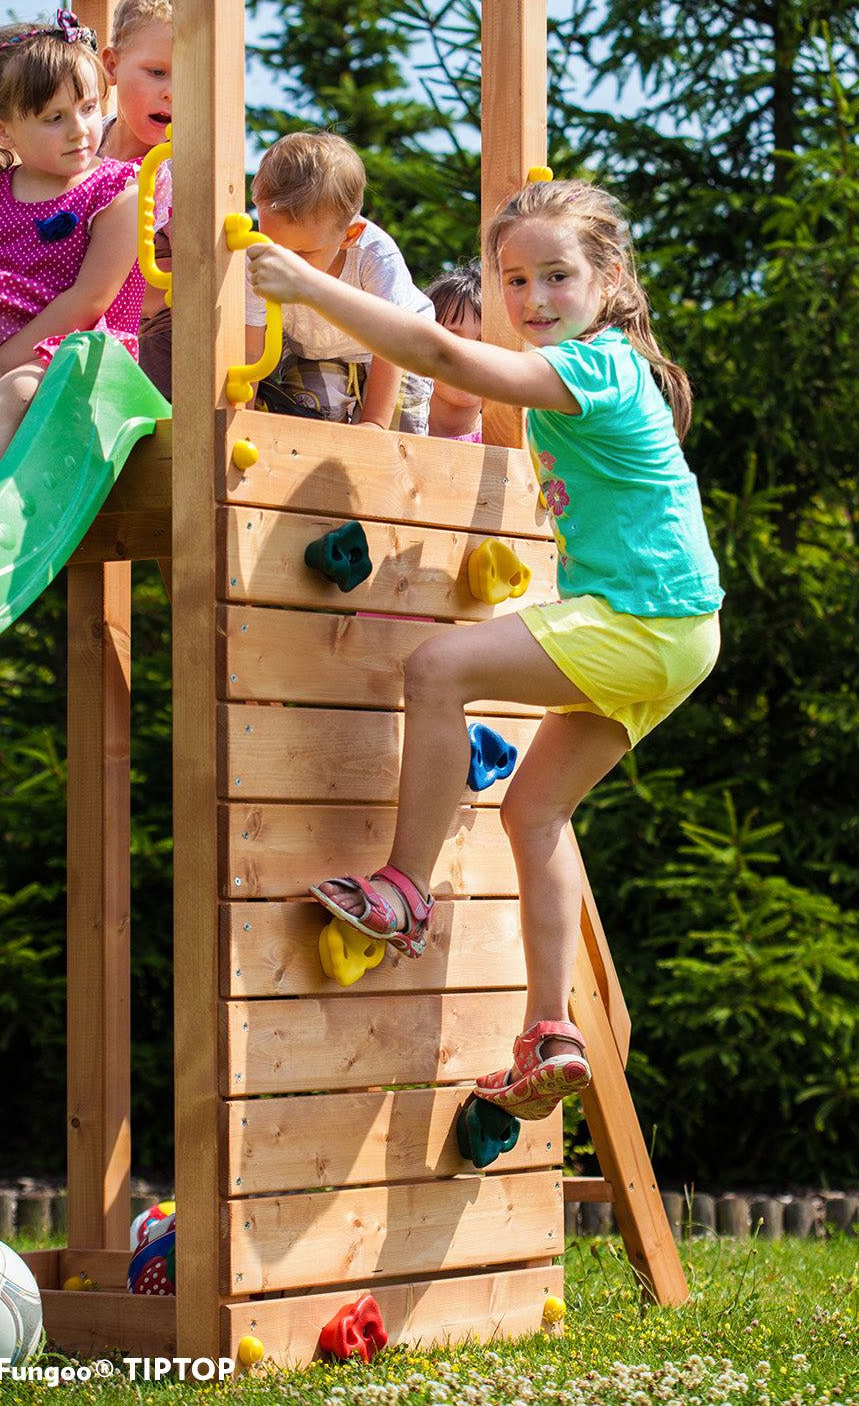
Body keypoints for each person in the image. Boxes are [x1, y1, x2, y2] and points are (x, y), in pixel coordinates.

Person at [247, 178, 724, 1119]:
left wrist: (307, 285)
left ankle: (403, 892)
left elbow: (433, 351)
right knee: (533, 812)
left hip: (643, 617)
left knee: (438, 668)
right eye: (515, 280)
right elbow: (469, 398)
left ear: (609, 278)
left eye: (557, 277)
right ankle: (551, 1031)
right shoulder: (592, 370)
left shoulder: (597, 367)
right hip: (679, 634)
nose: (534, 299)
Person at [0, 11, 143, 493]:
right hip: (4, 341)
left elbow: (90, 300)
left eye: (89, 108)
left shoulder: (115, 190)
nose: (80, 129)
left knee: (14, 392)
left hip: (82, 353)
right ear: (3, 131)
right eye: (55, 118)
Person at [245, 132, 433, 431]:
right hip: (315, 350)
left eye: (304, 252)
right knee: (310, 423)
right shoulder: (257, 259)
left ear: (349, 235)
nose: (286, 264)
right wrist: (243, 416)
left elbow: (392, 341)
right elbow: (252, 348)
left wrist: (374, 422)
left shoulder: (375, 256)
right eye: (276, 247)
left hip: (399, 351)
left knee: (398, 434)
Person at [99, 0, 174, 400]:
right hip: (79, 320)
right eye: (157, 71)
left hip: (155, 330)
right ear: (111, 65)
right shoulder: (82, 146)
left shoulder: (187, 170)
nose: (171, 90)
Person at [424, 263, 483, 442]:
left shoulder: (525, 443)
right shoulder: (389, 428)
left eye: (484, 343)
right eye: (452, 339)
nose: (468, 355)